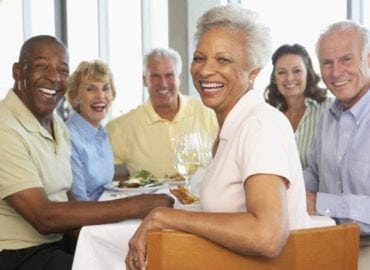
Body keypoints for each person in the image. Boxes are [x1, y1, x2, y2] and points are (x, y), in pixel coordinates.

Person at [125, 5, 311, 269]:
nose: (204, 70)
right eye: (199, 58)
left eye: (222, 60)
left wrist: (163, 216)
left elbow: (267, 236)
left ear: (253, 72)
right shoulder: (233, 125)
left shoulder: (258, 126)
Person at [0, 35, 174, 270]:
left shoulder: (55, 124)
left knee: (144, 258)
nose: (53, 77)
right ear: (18, 71)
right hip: (19, 254)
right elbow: (43, 217)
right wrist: (139, 205)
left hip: (58, 242)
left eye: (62, 70)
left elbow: (67, 197)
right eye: (42, 66)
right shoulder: (5, 127)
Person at [304, 21, 370, 270]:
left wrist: (319, 203)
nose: (335, 72)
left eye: (346, 59)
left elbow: (315, 199)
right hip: (329, 241)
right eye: (327, 63)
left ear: (369, 59)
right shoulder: (326, 117)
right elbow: (313, 175)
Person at [105, 47, 218, 179]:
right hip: (148, 200)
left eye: (169, 75)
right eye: (155, 76)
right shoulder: (120, 127)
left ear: (179, 78)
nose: (163, 84)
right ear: (144, 80)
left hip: (202, 199)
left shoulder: (209, 112)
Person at [264, 44, 333, 169]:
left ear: (308, 73)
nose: (289, 78)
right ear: (275, 78)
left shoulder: (331, 109)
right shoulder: (268, 116)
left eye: (297, 71)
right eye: (281, 72)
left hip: (320, 189)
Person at [65, 60, 115, 201]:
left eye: (105, 88)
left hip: (103, 214)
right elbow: (79, 202)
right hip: (87, 220)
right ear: (75, 97)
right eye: (90, 89)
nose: (100, 96)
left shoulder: (101, 134)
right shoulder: (69, 138)